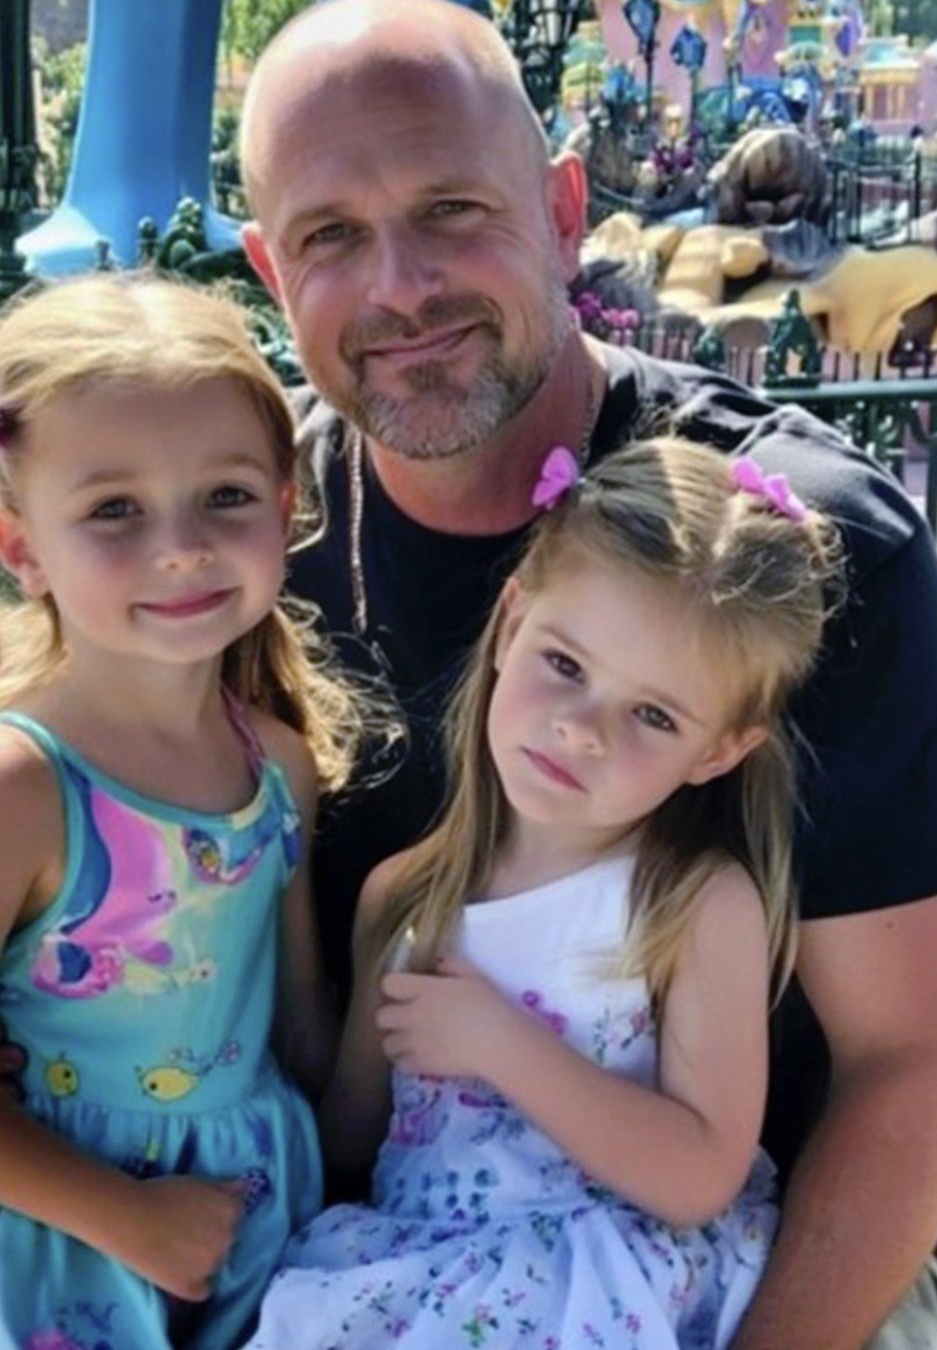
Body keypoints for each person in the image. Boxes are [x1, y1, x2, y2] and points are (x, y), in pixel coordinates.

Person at [233, 3, 937, 1347]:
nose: (400, 286)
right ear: (272, 272)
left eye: (451, 208)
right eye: (329, 235)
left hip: (759, 1284)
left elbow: (910, 1066)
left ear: (564, 213)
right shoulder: (236, 554)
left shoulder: (790, 555)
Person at [243, 437, 844, 1348]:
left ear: (720, 751)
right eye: (565, 665)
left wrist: (501, 1045)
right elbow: (350, 1139)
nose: (582, 729)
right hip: (418, 1276)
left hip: (599, 1288)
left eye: (653, 715)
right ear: (512, 622)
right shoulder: (404, 897)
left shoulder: (689, 903)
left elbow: (699, 1175)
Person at [0, 274, 361, 1350]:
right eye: (114, 510)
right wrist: (125, 1218)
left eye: (226, 495)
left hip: (243, 1215)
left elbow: (298, 1021)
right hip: (35, 1236)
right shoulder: (18, 782)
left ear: (285, 509)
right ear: (21, 548)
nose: (181, 546)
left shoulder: (280, 765)